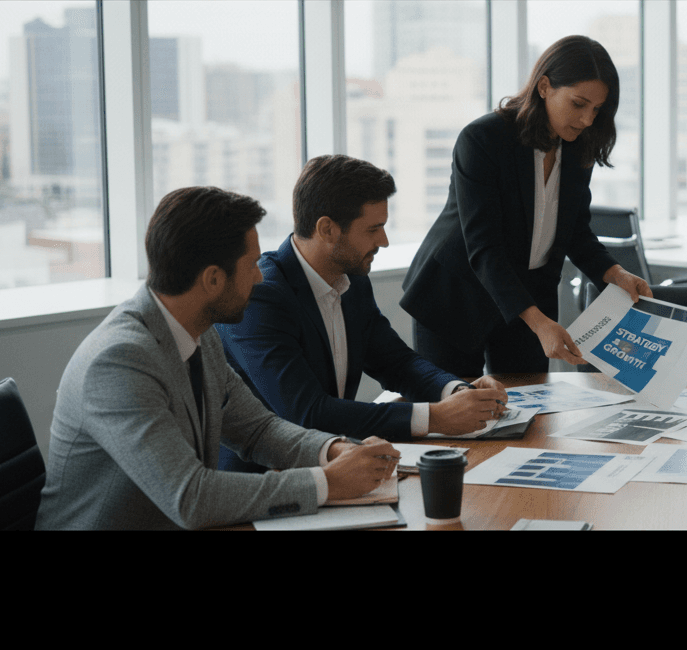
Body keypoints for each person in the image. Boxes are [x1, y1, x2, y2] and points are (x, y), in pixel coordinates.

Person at [36, 187, 400, 530]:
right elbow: (190, 497)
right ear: (212, 279)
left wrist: (333, 451)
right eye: (252, 266)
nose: (260, 279)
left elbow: (259, 429)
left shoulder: (198, 331)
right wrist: (325, 483)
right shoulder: (118, 363)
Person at [216, 155, 509, 472]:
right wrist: (436, 417)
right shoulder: (262, 297)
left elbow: (397, 362)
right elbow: (306, 412)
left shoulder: (351, 279)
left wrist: (458, 393)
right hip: (270, 484)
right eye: (373, 229)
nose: (383, 241)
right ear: (327, 229)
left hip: (339, 464)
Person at [400, 34, 651, 376]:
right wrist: (538, 322)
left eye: (597, 109)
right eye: (578, 104)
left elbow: (574, 230)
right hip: (456, 295)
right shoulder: (482, 139)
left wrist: (615, 273)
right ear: (544, 86)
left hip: (527, 299)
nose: (587, 120)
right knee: (457, 415)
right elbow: (485, 248)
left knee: (530, 413)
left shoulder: (577, 147)